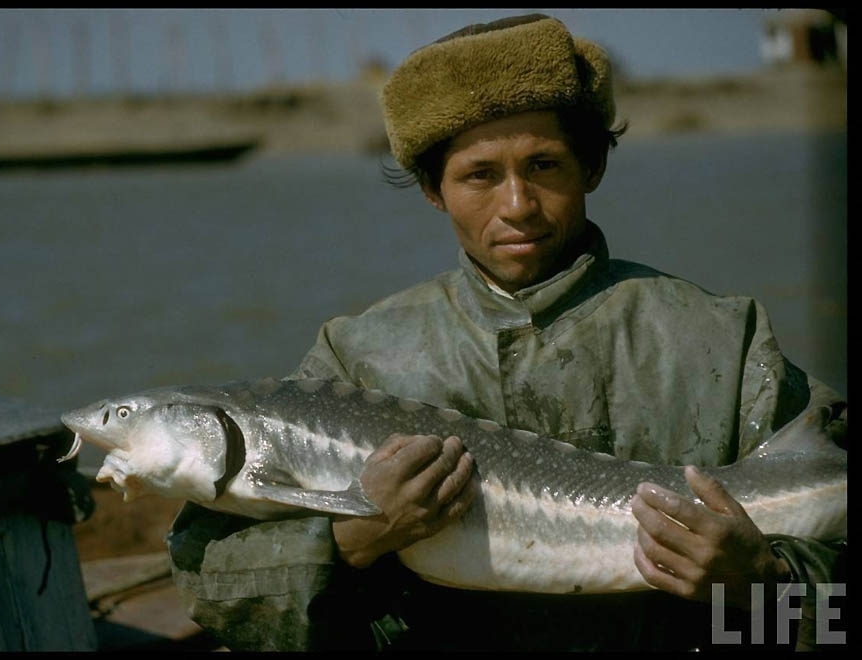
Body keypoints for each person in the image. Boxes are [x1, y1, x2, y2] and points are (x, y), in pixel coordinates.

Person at [167, 13, 846, 651]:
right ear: (434, 190)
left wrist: (765, 586)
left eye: (544, 165)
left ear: (591, 167)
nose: (517, 205)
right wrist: (358, 538)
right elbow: (212, 585)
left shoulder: (724, 338)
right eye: (479, 176)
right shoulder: (360, 358)